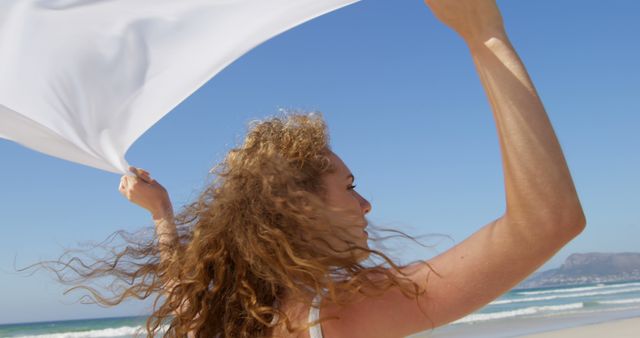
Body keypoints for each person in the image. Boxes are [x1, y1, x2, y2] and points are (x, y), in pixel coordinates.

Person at [114, 0, 588, 337]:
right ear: (299, 208)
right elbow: (548, 222)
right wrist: (484, 33)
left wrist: (162, 217)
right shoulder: (336, 318)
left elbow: (182, 296)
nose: (366, 203)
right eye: (349, 186)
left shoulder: (231, 321)